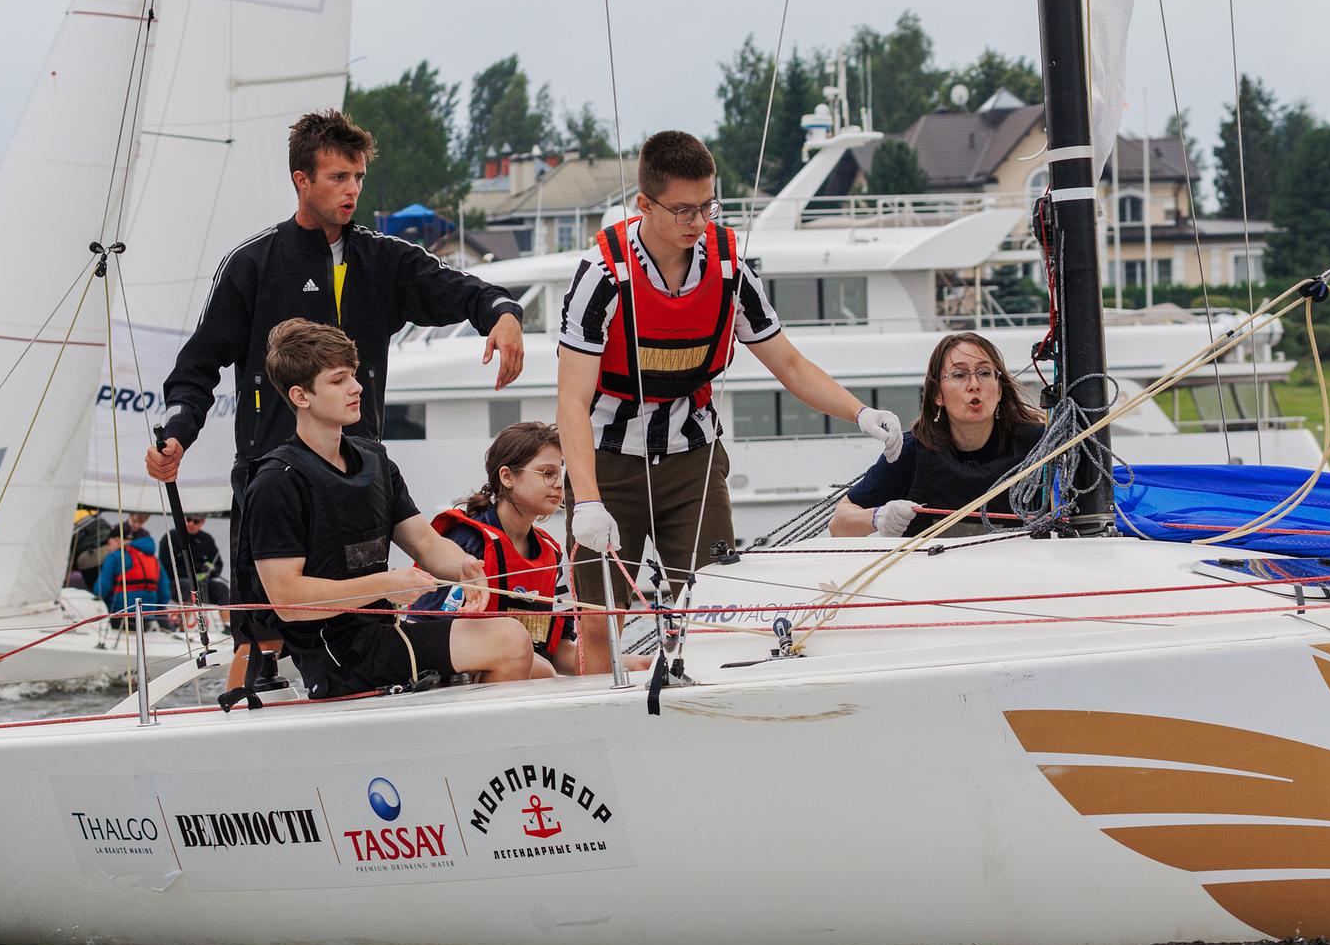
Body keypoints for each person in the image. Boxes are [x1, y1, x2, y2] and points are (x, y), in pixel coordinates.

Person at [147, 108, 526, 688]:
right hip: (272, 477)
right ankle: (246, 718)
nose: (351, 190)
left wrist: (502, 313)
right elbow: (197, 366)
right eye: (337, 177)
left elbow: (465, 290)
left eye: (358, 178)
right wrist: (178, 431)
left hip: (359, 471)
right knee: (263, 637)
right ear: (301, 180)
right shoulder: (253, 264)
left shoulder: (386, 258)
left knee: (364, 622)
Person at [557, 130, 903, 672]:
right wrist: (587, 500)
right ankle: (603, 703)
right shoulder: (602, 275)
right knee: (600, 619)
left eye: (707, 206)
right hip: (608, 462)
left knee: (712, 605)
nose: (698, 222)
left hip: (692, 460)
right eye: (683, 210)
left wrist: (860, 412)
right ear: (644, 204)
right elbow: (572, 401)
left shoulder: (729, 270)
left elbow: (789, 364)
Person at [245, 319, 534, 699]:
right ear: (301, 396)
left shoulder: (375, 461)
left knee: (540, 666)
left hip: (383, 632)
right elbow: (287, 600)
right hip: (338, 656)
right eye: (338, 381)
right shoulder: (276, 482)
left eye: (353, 375)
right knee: (510, 639)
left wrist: (466, 568)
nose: (356, 387)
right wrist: (387, 585)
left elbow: (427, 545)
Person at [416, 422, 649, 678]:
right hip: (463, 684)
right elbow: (429, 636)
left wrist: (631, 663)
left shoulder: (552, 554)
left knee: (548, 669)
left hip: (527, 679)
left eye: (561, 474)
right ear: (507, 477)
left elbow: (559, 654)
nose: (559, 484)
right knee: (543, 671)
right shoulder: (465, 545)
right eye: (547, 473)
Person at [829, 332, 1046, 538]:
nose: (974, 385)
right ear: (937, 395)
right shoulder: (912, 450)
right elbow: (838, 524)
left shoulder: (1040, 447)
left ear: (999, 390)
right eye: (959, 375)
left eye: (984, 373)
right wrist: (877, 517)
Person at [94, 525, 174, 627]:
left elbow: (101, 590)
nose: (109, 549)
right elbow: (164, 593)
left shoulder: (115, 556)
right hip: (146, 619)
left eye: (109, 544)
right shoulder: (154, 560)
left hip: (120, 616)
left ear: (117, 540)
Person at [161, 513, 229, 609]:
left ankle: (226, 617)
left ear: (202, 522)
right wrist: (192, 576)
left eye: (196, 521)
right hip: (177, 582)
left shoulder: (207, 539)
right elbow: (165, 566)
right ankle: (190, 615)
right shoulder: (170, 537)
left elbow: (218, 564)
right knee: (189, 586)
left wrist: (211, 570)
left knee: (222, 588)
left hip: (202, 582)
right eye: (188, 519)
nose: (191, 524)